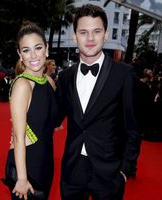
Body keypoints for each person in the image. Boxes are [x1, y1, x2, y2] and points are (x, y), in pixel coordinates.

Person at [56, 4, 141, 200]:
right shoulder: (65, 77)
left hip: (109, 174)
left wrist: (124, 172)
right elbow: (53, 118)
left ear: (106, 34)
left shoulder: (124, 74)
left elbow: (133, 129)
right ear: (75, 35)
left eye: (97, 31)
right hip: (73, 170)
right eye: (83, 32)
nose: (90, 38)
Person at [2, 21, 58, 200]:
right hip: (26, 165)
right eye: (26, 50)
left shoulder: (49, 82)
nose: (33, 55)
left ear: (46, 49)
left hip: (46, 160)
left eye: (38, 47)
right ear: (20, 54)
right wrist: (22, 178)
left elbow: (49, 120)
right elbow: (18, 136)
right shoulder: (22, 84)